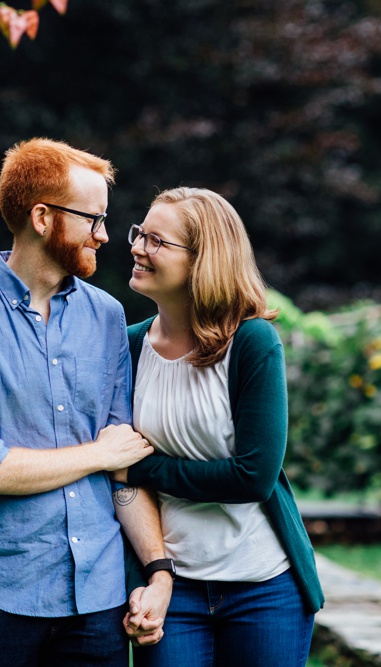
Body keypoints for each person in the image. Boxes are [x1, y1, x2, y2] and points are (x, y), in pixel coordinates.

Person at [0, 138, 174, 667]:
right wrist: (98, 455)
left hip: (99, 603)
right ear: (42, 217)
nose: (106, 236)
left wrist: (158, 571)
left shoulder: (107, 316)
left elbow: (124, 466)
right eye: (93, 219)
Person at [114, 187, 325, 667]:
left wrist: (142, 468)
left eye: (156, 241)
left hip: (264, 587)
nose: (137, 247)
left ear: (203, 260)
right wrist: (148, 575)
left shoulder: (252, 342)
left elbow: (252, 476)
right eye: (139, 234)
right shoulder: (125, 348)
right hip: (172, 587)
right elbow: (113, 470)